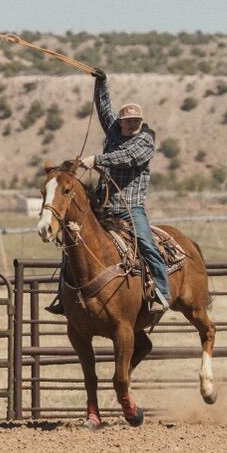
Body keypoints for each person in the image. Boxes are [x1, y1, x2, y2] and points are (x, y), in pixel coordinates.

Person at [46, 69, 171, 315]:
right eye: (128, 121)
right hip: (102, 207)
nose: (132, 124)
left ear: (141, 122)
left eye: (136, 121)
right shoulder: (115, 131)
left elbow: (128, 157)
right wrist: (101, 82)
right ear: (121, 122)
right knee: (73, 241)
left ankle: (162, 292)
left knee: (146, 244)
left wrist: (97, 160)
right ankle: (64, 294)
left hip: (129, 208)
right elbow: (104, 108)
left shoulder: (145, 141)